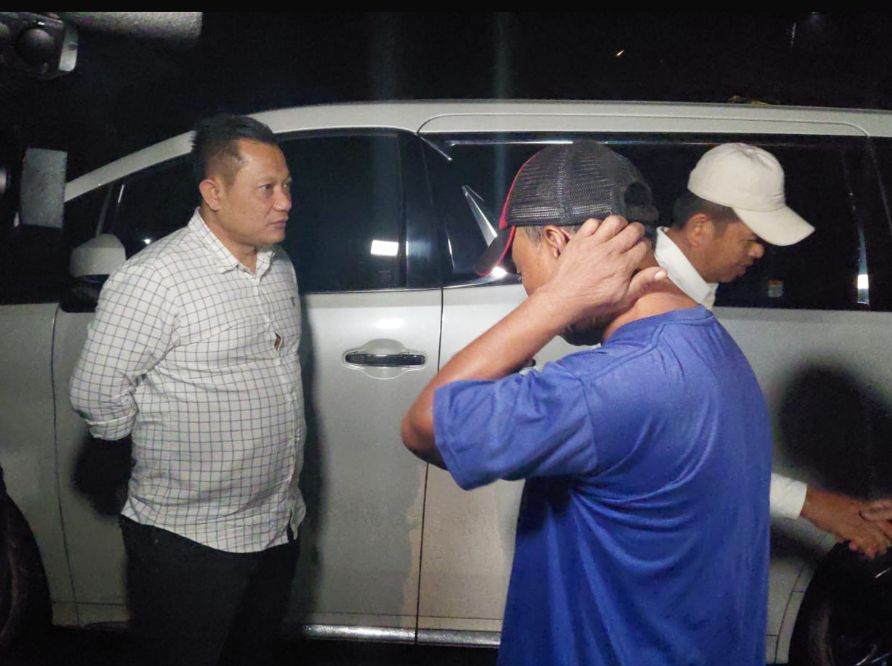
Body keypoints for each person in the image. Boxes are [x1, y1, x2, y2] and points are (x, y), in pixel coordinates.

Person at [402, 141, 770, 665]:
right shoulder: (708, 341)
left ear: (558, 243)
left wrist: (558, 300)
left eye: (523, 270)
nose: (527, 289)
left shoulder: (610, 385)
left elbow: (425, 426)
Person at [69, 114, 303, 666]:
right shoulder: (155, 279)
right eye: (267, 188)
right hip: (190, 540)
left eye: (287, 185)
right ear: (213, 193)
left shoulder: (280, 267)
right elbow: (96, 392)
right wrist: (149, 462)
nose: (285, 202)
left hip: (276, 526)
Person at [657, 142, 892, 558]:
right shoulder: (650, 302)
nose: (760, 251)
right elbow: (672, 455)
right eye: (751, 238)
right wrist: (810, 504)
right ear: (700, 228)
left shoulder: (687, 291)